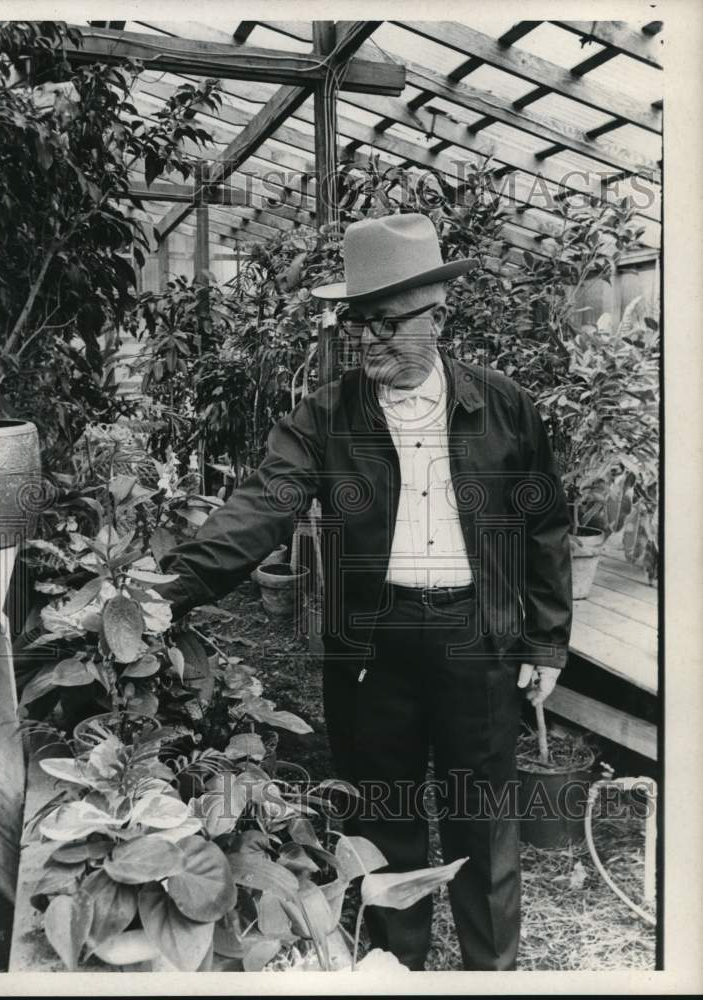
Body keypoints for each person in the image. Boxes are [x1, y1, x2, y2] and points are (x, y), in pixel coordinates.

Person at [158, 213, 573, 971]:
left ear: (438, 317)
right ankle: (396, 973)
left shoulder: (505, 406)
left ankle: (492, 976)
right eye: (360, 325)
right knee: (384, 827)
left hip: (476, 639)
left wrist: (546, 639)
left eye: (388, 323)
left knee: (482, 827)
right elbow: (261, 507)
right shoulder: (325, 417)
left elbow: (545, 526)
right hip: (370, 648)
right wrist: (165, 592)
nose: (371, 342)